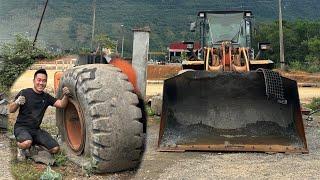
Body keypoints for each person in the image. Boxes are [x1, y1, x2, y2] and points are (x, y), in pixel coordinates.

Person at [9, 68, 70, 161]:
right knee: (26, 142)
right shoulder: (24, 92)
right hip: (21, 128)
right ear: (34, 81)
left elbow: (62, 104)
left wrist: (66, 95)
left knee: (55, 149)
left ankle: (34, 144)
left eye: (44, 81)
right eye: (39, 80)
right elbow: (11, 110)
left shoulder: (46, 97)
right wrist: (17, 102)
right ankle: (20, 147)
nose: (41, 83)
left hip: (36, 130)